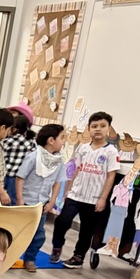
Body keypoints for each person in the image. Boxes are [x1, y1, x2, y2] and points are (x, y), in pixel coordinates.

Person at [51, 111, 120, 268]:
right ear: (88, 128)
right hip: (76, 194)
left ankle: (78, 256)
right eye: (94, 126)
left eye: (102, 126)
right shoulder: (82, 148)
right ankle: (57, 246)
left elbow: (111, 176)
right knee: (62, 221)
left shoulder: (111, 152)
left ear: (108, 128)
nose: (98, 129)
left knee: (86, 230)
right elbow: (76, 169)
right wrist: (67, 189)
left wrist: (103, 198)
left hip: (94, 199)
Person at [16, 123, 68, 272]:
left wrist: (52, 202)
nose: (64, 141)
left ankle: (30, 259)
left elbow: (57, 183)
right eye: (62, 138)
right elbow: (20, 178)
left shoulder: (59, 161)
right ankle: (7, 256)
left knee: (38, 234)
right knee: (19, 231)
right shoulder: (33, 157)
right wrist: (20, 200)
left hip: (42, 205)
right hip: (26, 201)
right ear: (51, 140)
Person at [2, 111, 36, 205]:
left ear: (14, 129)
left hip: (9, 176)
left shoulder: (8, 141)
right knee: (16, 201)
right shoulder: (32, 141)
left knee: (6, 200)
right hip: (23, 177)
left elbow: (2, 158)